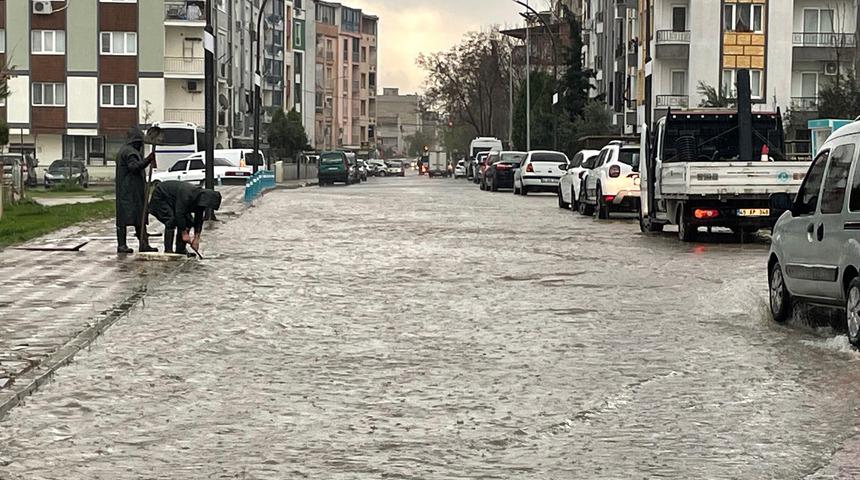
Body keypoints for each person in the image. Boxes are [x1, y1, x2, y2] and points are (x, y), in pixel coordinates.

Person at [148, 181, 222, 255]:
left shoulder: (200, 201)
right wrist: (184, 233)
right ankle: (168, 250)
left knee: (189, 221)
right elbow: (179, 214)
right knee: (171, 220)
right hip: (161, 196)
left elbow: (198, 219)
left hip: (175, 202)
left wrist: (196, 238)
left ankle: (180, 249)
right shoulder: (187, 195)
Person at [115, 127, 157, 254]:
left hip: (131, 191)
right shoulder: (130, 152)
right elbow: (133, 167)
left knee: (140, 217)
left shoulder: (126, 150)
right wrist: (147, 160)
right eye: (140, 142)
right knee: (128, 218)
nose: (141, 145)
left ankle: (143, 243)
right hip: (129, 192)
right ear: (135, 142)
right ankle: (122, 245)